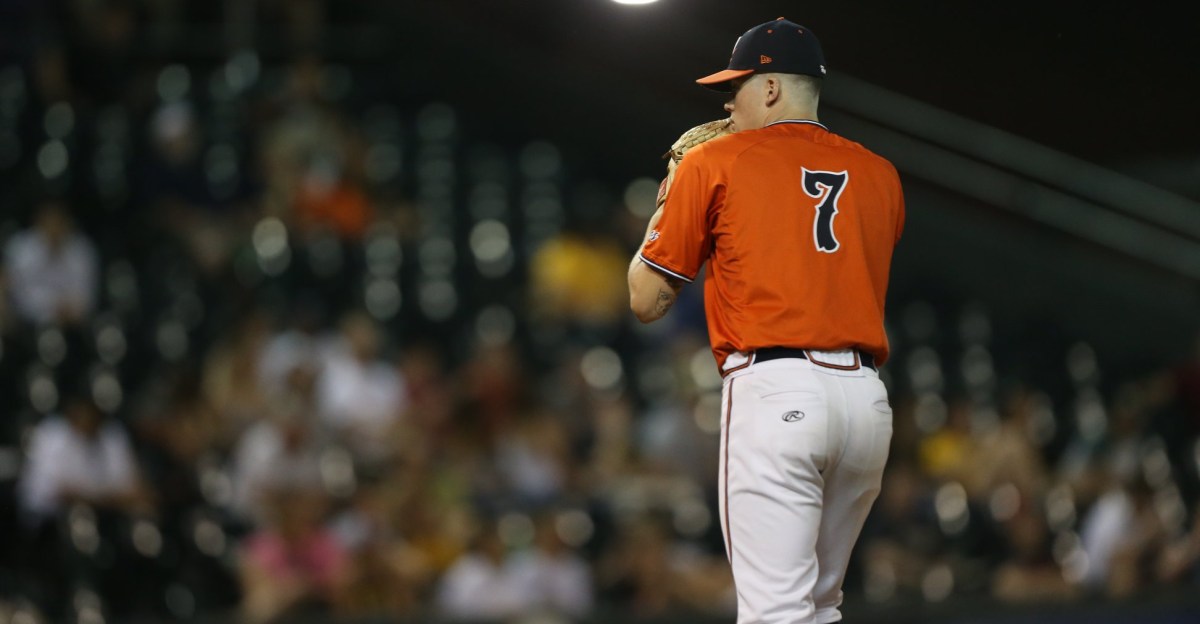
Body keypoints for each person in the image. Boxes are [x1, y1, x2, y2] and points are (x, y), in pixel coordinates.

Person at [628, 17, 905, 624]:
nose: (728, 105)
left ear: (772, 88)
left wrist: (671, 191)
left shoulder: (714, 162)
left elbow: (645, 300)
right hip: (865, 404)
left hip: (776, 391)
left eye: (737, 88)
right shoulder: (881, 173)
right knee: (820, 606)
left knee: (774, 610)